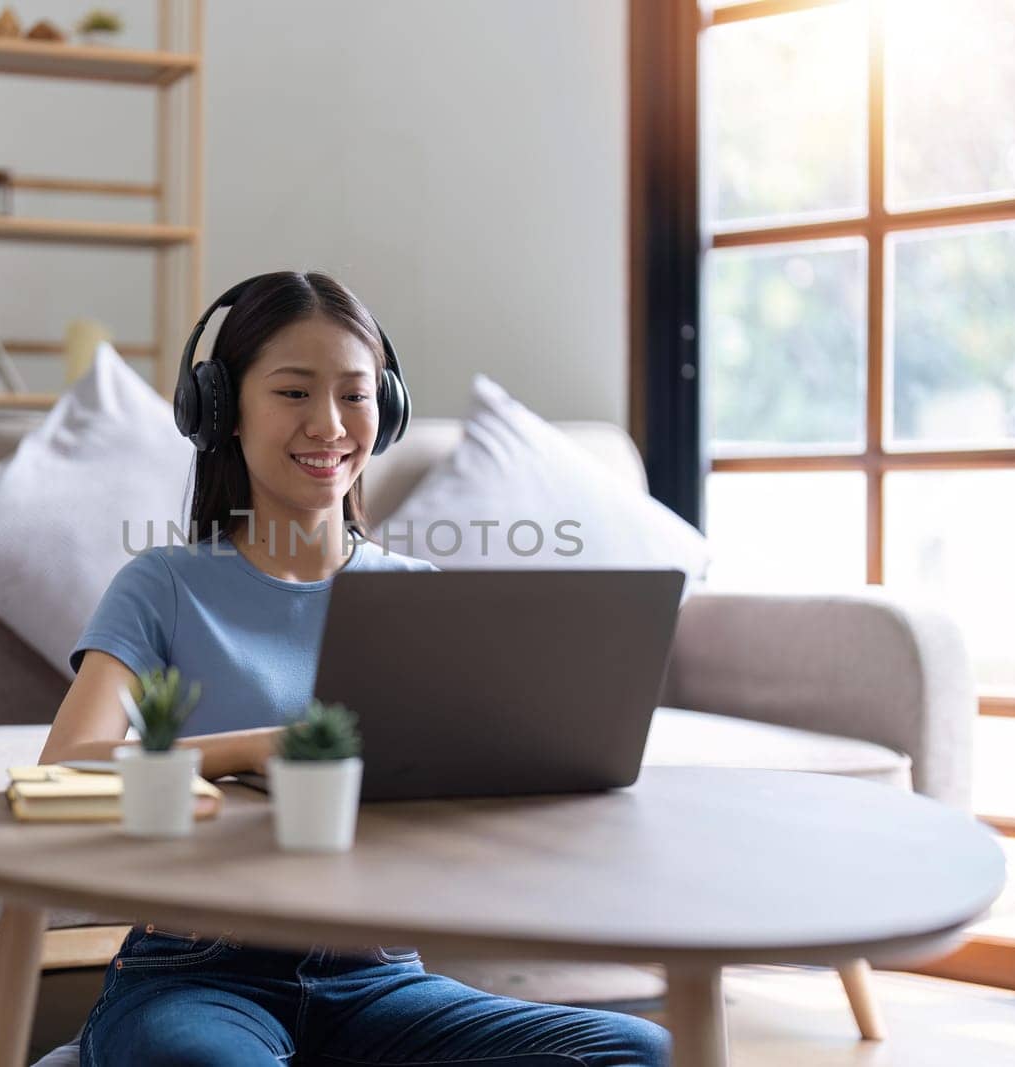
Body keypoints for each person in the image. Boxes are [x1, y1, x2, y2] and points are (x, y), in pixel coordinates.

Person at [38, 270, 671, 1066]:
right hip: (200, 972)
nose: (329, 425)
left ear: (389, 408)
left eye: (356, 394)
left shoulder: (417, 598)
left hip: (379, 976)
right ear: (221, 409)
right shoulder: (164, 583)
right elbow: (67, 766)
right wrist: (256, 747)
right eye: (294, 393)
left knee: (637, 1051)